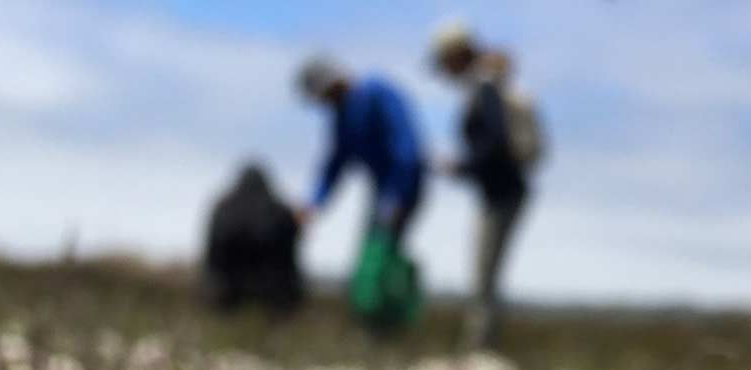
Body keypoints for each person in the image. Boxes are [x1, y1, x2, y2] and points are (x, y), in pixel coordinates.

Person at [428, 22, 540, 349]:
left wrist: (462, 166)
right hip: (502, 192)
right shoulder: (485, 84)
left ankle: (479, 353)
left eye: (444, 62)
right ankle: (481, 350)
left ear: (457, 55)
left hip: (502, 194)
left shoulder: (484, 86)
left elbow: (494, 143)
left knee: (484, 279)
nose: (443, 71)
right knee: (485, 277)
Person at [295, 56, 427, 250]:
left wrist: (397, 196)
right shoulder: (343, 119)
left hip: (406, 182)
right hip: (381, 189)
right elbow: (334, 166)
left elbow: (406, 147)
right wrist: (313, 203)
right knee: (371, 247)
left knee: (380, 252)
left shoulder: (377, 93)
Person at [201, 161, 303, 312]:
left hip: (228, 292)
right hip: (273, 293)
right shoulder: (282, 212)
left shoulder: (223, 208)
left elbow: (212, 256)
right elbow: (291, 258)